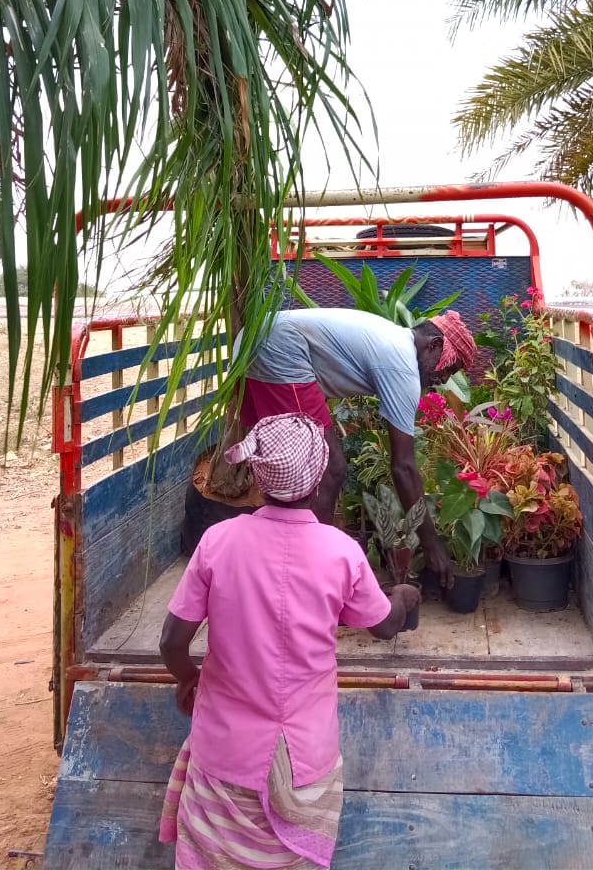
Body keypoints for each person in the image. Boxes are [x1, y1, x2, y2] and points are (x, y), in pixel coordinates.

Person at [159, 412, 419, 870]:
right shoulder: (341, 552)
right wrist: (403, 597)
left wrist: (190, 678)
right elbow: (383, 625)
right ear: (319, 480)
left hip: (225, 753)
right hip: (305, 762)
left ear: (258, 476)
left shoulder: (217, 541)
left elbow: (171, 643)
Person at [231, 306, 477, 587]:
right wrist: (432, 543)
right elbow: (403, 467)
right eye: (449, 368)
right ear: (434, 345)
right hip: (277, 347)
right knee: (328, 468)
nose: (444, 380)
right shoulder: (402, 364)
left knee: (292, 472)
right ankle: (310, 575)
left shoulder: (394, 341)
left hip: (258, 340)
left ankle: (280, 562)